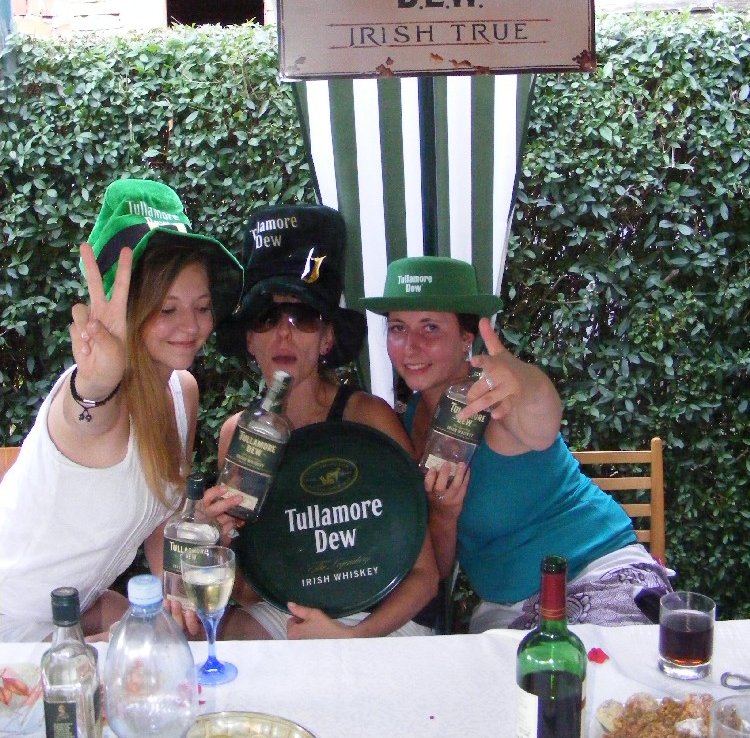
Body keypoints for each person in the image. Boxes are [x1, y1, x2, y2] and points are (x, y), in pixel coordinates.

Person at [361, 255, 673, 631]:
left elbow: (542, 420)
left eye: (430, 328)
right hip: (507, 609)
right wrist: (443, 513)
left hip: (598, 575)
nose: (411, 346)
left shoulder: (498, 400)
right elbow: (437, 568)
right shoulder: (411, 419)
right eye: (398, 328)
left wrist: (524, 378)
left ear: (466, 338)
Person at [0, 178, 243, 642]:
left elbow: (161, 522)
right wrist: (96, 382)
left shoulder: (182, 391)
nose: (191, 327)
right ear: (128, 307)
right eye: (166, 309)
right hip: (12, 629)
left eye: (202, 307)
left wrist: (184, 562)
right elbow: (86, 412)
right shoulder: (96, 399)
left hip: (76, 610)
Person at [210, 205, 439, 640]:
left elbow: (424, 577)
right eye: (266, 318)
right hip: (292, 613)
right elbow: (254, 591)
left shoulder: (367, 418)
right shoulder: (237, 436)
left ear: (327, 338)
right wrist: (219, 542)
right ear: (250, 339)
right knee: (225, 641)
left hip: (381, 615)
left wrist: (351, 638)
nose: (284, 334)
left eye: (304, 318)